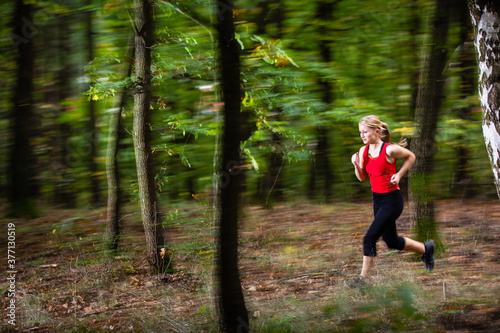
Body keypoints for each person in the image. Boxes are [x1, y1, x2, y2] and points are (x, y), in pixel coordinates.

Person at [348, 115, 434, 287]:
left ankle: (363, 280)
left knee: (369, 239)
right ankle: (426, 249)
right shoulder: (364, 151)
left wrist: (399, 175)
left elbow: (411, 156)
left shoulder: (389, 150)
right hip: (377, 200)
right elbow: (362, 177)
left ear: (376, 131)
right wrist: (357, 165)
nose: (362, 136)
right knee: (392, 241)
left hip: (392, 201)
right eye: (360, 133)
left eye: (365, 132)